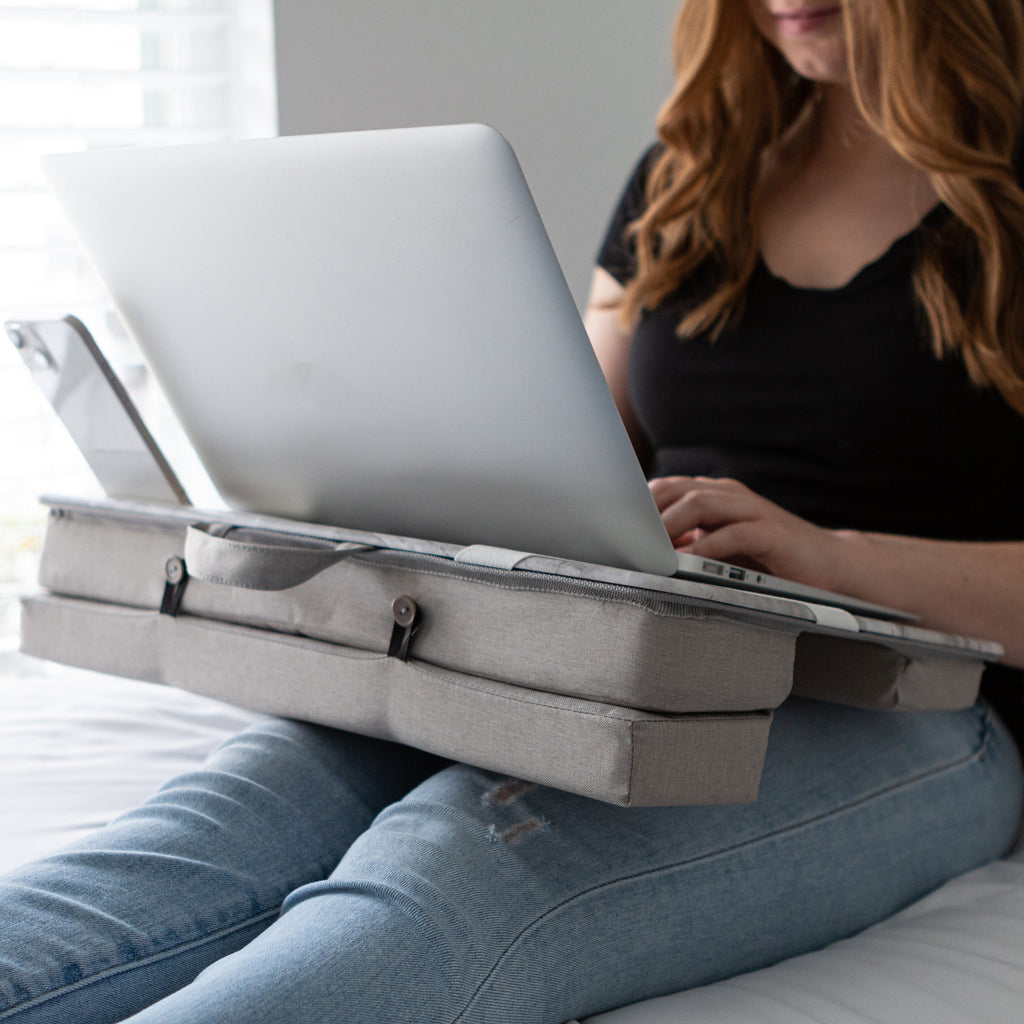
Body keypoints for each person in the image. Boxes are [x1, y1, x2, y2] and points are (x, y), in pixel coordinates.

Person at [2, 1, 1023, 1021]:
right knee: (208, 836)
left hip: (918, 701)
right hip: (617, 650)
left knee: (449, 881)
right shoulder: (694, 170)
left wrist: (828, 557)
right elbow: (581, 440)